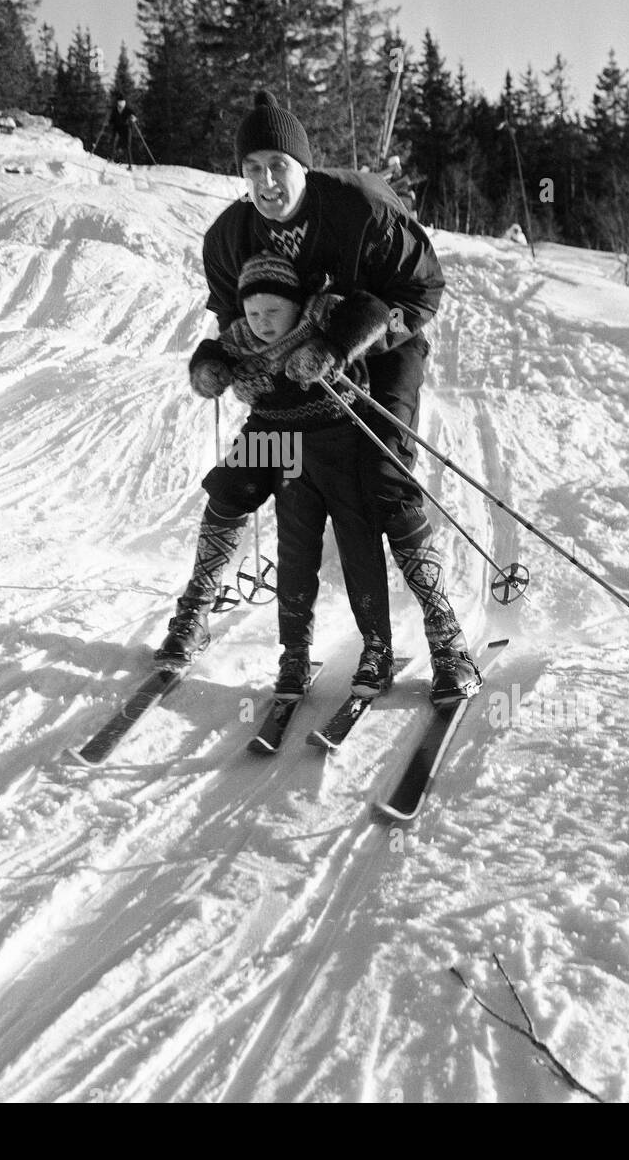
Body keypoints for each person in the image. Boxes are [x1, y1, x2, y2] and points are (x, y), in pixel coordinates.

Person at [163, 89, 482, 705]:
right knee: (239, 478)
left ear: (302, 164)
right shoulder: (230, 238)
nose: (266, 182)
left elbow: (423, 292)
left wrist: (350, 346)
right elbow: (234, 324)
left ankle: (444, 636)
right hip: (295, 376)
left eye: (277, 166)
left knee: (386, 479)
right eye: (251, 169)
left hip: (383, 351)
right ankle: (194, 611)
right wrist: (222, 365)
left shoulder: (360, 208)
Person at [156, 253, 395, 698]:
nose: (263, 323)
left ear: (294, 303)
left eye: (273, 311)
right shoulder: (242, 336)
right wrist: (206, 370)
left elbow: (373, 313)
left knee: (350, 531)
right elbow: (215, 350)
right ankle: (196, 611)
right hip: (274, 434)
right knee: (231, 488)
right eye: (253, 313)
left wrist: (329, 349)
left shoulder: (318, 312)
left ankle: (376, 644)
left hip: (331, 432)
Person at [109, 95, 136, 169]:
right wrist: (108, 122)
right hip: (117, 129)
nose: (121, 106)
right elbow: (111, 120)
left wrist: (133, 118)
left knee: (127, 146)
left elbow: (133, 116)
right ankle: (112, 158)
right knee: (113, 142)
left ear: (124, 103)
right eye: (119, 104)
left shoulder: (127, 110)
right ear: (118, 103)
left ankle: (130, 165)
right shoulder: (115, 110)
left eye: (122, 104)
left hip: (127, 129)